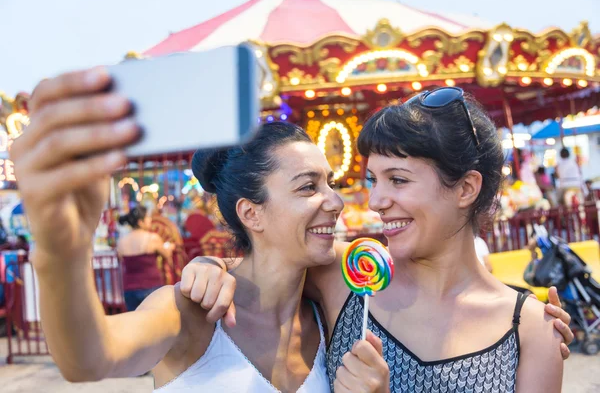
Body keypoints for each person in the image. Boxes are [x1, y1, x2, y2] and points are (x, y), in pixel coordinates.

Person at [10, 68, 389, 392]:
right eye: (308, 187)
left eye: (330, 183)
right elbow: (88, 358)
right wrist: (61, 252)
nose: (335, 202)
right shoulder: (191, 310)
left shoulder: (329, 315)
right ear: (251, 214)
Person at [184, 87, 573, 392]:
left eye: (398, 180)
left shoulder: (529, 329)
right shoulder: (347, 276)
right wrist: (209, 267)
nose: (376, 202)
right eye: (374, 180)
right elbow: (264, 264)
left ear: (466, 188)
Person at [117, 205, 173, 311]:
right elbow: (166, 254)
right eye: (147, 218)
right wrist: (170, 247)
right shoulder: (152, 238)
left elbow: (120, 260)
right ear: (140, 222)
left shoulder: (121, 242)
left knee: (135, 323)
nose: (150, 220)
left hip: (129, 289)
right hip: (151, 287)